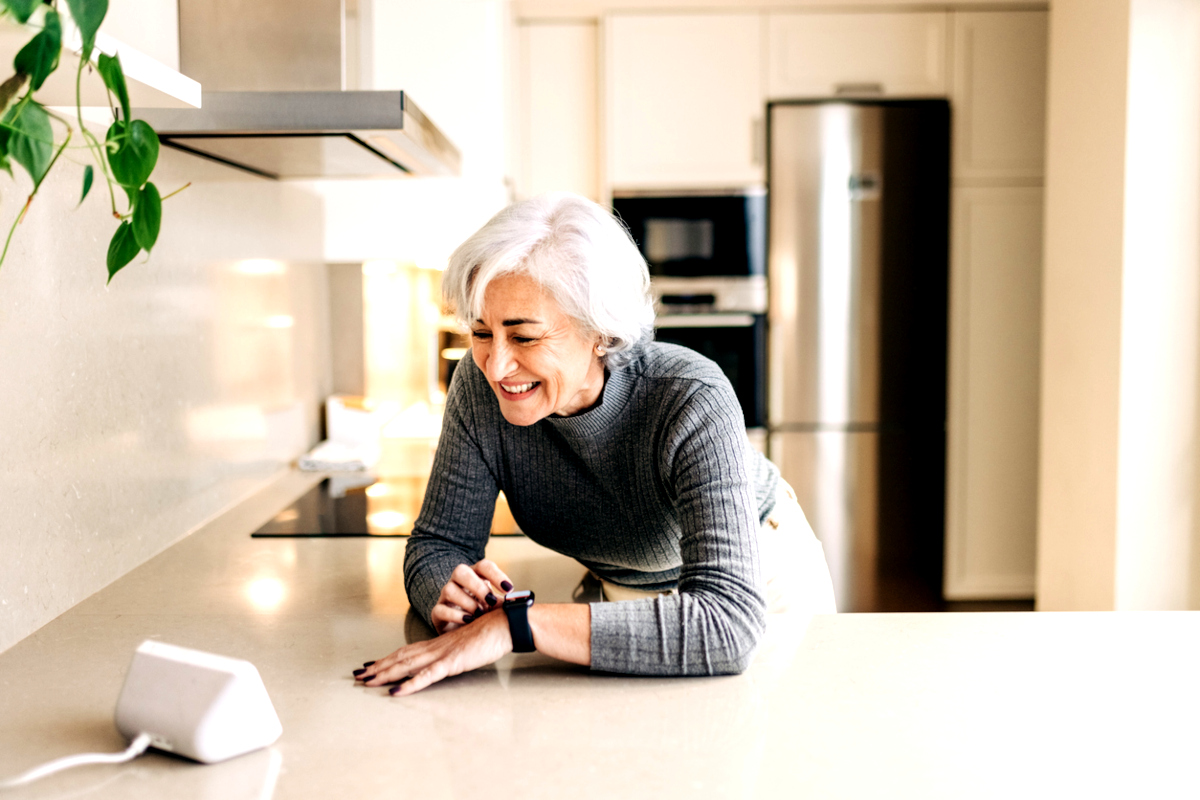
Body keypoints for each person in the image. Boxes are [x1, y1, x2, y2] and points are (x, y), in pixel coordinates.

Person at [355, 192, 835, 696]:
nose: (495, 366)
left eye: (524, 337)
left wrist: (515, 624)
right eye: (481, 332)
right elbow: (438, 543)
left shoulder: (690, 396)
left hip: (762, 584)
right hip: (625, 592)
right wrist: (446, 590)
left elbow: (727, 625)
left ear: (598, 332)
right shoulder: (477, 392)